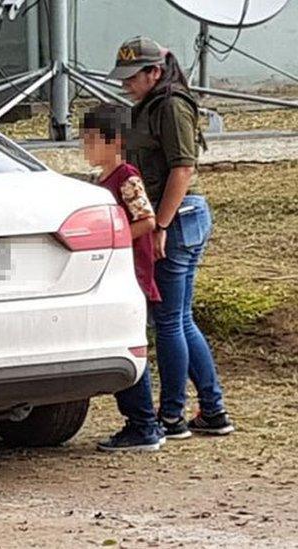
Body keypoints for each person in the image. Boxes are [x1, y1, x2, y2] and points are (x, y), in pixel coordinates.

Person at [109, 36, 234, 438]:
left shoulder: (171, 106)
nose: (126, 84)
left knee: (168, 321)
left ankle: (172, 416)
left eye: (133, 77)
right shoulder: (149, 106)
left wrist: (160, 226)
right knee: (180, 319)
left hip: (179, 219)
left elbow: (183, 169)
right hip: (176, 219)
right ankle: (213, 411)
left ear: (155, 73)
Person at [81, 104, 165, 452]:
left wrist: (114, 238)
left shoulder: (127, 177)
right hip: (112, 274)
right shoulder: (98, 182)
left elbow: (146, 219)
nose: (85, 148)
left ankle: (143, 422)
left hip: (131, 274)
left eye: (91, 140)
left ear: (114, 141)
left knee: (129, 345)